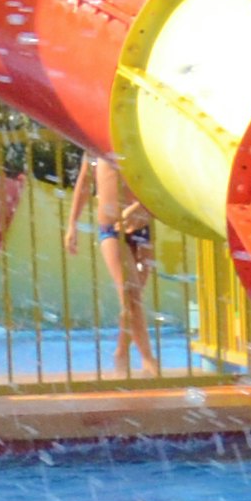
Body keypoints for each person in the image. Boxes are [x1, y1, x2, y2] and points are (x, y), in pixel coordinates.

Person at [81, 154, 163, 371]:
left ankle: (121, 351)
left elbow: (158, 185)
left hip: (142, 229)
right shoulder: (94, 147)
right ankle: (148, 359)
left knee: (132, 301)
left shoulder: (136, 144)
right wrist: (71, 225)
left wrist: (141, 207)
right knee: (131, 294)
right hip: (112, 230)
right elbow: (83, 183)